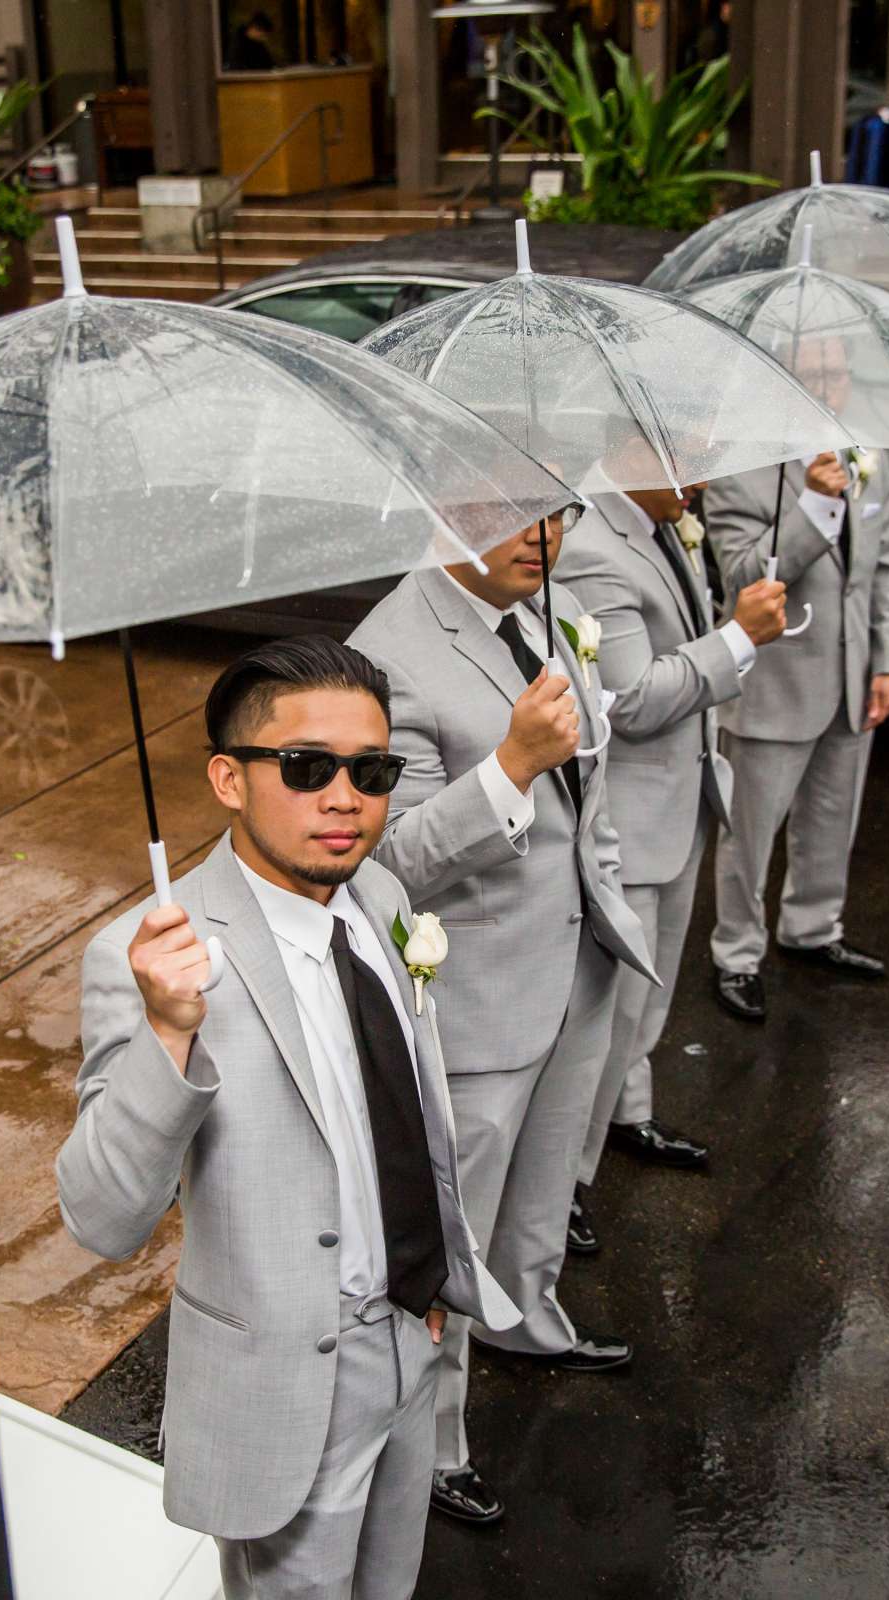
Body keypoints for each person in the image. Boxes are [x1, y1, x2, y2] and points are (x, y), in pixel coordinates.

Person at [55, 635, 520, 1599]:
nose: (345, 798)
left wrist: (431, 1287)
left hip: (413, 1332)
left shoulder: (382, 897)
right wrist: (169, 1037)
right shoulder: (147, 957)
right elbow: (100, 1217)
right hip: (287, 1386)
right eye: (306, 768)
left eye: (372, 769)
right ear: (229, 778)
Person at [347, 510, 657, 1528]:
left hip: (574, 956)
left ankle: (532, 1318)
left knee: (543, 1172)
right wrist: (512, 766)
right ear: (443, 512)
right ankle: (433, 1443)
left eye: (555, 514)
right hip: (476, 989)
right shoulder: (388, 651)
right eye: (509, 515)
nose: (542, 537)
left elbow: (594, 775)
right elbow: (385, 861)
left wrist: (603, 883)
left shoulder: (546, 612)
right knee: (457, 1227)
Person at [553, 472, 789, 1238]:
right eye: (686, 458)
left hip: (680, 805)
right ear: (632, 452)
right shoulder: (595, 551)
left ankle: (629, 1117)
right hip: (630, 818)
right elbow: (635, 701)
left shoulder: (661, 526)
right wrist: (737, 637)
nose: (705, 479)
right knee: (607, 1015)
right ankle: (562, 1187)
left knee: (647, 1004)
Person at [702, 382, 889, 1016]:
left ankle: (813, 928)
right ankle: (736, 953)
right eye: (808, 363)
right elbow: (743, 576)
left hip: (853, 675)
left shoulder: (866, 451)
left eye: (834, 359)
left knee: (832, 817)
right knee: (750, 832)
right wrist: (817, 507)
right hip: (776, 681)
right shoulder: (741, 466)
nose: (825, 376)